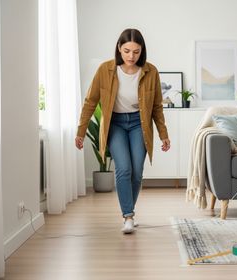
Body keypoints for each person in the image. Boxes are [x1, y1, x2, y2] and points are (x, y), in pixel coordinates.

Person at [75, 28, 170, 234]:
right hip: (115, 124)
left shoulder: (150, 71)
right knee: (124, 168)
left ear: (142, 50)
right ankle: (128, 215)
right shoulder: (105, 70)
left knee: (136, 172)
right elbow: (90, 102)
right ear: (119, 48)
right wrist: (81, 131)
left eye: (136, 52)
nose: (131, 56)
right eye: (127, 51)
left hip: (139, 123)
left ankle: (130, 210)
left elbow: (156, 107)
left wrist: (163, 134)